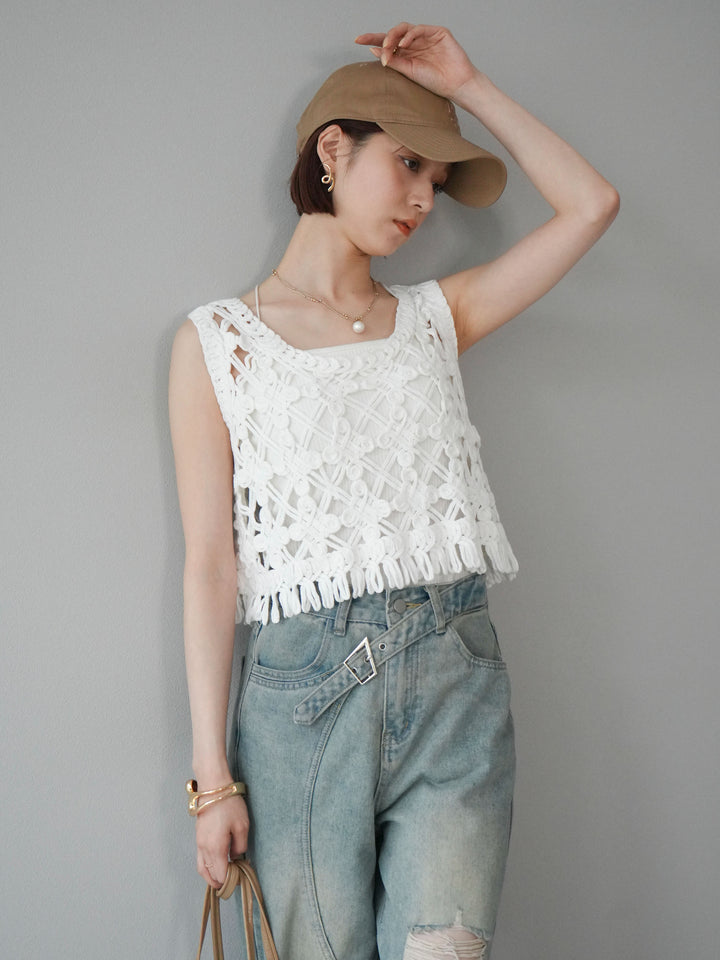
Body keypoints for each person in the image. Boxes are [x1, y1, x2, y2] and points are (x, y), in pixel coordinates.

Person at [169, 22, 619, 960]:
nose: (422, 199)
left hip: (456, 678)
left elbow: (591, 205)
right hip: (304, 699)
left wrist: (470, 84)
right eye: (410, 163)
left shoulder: (434, 319)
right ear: (333, 150)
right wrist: (213, 779)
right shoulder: (218, 343)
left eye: (437, 182)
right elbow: (212, 565)